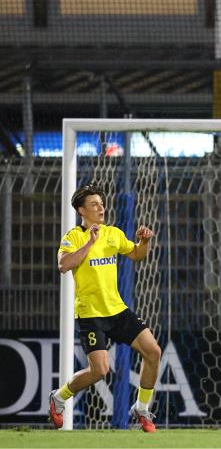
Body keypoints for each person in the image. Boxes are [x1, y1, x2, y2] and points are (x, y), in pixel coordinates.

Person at [50, 184, 161, 432]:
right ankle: (58, 398)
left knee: (153, 351)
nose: (101, 208)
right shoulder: (73, 237)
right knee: (100, 371)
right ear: (82, 210)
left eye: (101, 203)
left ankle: (141, 408)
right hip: (91, 314)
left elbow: (137, 255)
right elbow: (64, 265)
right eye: (94, 205)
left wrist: (144, 241)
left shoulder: (113, 233)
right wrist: (90, 243)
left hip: (117, 309)